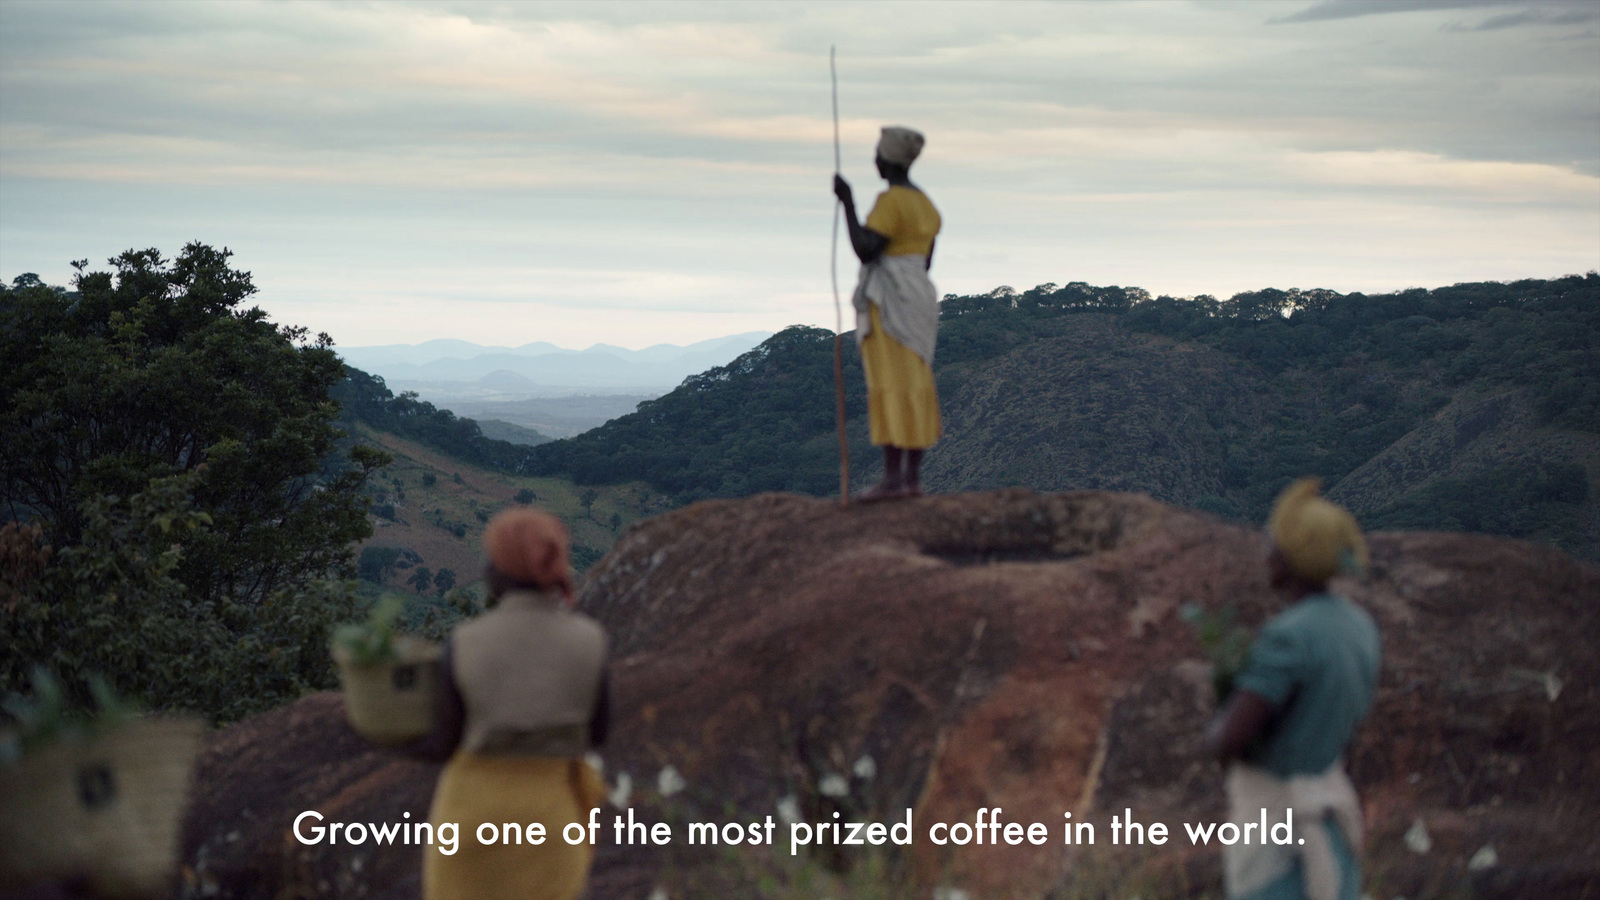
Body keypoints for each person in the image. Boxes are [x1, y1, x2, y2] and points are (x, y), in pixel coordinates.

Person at [409, 507, 610, 900]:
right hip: (552, 824)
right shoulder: (591, 640)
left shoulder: (466, 640)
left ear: (503, 571)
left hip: (471, 819)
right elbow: (599, 731)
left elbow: (442, 741)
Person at [1207, 478, 1380, 900]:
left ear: (1287, 560)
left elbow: (1230, 736)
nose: (1265, 551)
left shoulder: (1289, 637)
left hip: (1280, 836)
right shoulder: (1359, 627)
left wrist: (1213, 729)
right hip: (1332, 819)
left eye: (1272, 542)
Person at [832, 125, 943, 501]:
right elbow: (924, 261)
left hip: (891, 300)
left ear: (889, 160)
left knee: (891, 382)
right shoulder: (926, 205)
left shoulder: (890, 202)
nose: (875, 161)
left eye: (878, 155)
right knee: (916, 380)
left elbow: (866, 248)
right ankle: (912, 478)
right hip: (919, 297)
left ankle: (893, 480)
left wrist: (847, 201)